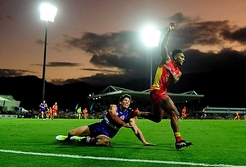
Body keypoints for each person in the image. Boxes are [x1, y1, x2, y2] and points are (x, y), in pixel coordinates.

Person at [136, 22, 192, 150]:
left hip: (162, 92)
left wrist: (171, 72)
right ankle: (178, 140)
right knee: (174, 112)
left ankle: (135, 113)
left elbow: (174, 81)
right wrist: (169, 31)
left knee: (157, 118)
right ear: (175, 57)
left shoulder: (179, 72)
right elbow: (163, 45)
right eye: (182, 57)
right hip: (156, 90)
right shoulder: (166, 60)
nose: (184, 59)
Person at [56, 94, 154, 147]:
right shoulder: (114, 107)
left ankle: (80, 139)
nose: (127, 102)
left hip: (106, 133)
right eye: (125, 100)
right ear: (121, 102)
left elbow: (136, 129)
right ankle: (68, 138)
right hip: (97, 127)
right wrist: (124, 124)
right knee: (71, 132)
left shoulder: (129, 114)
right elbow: (113, 115)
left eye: (128, 101)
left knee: (106, 141)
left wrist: (144, 142)